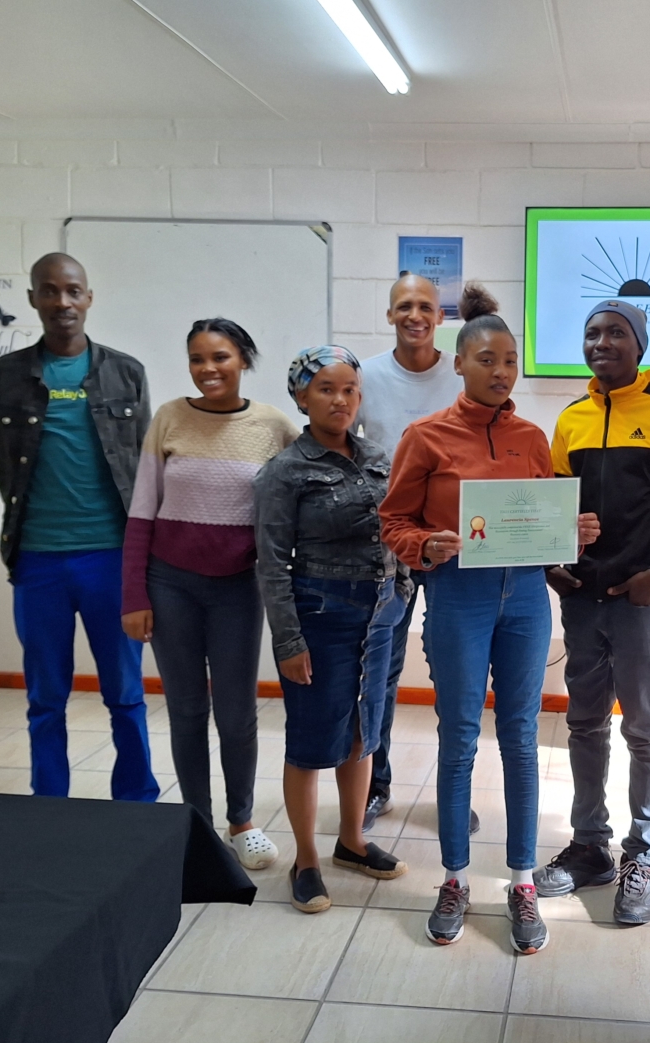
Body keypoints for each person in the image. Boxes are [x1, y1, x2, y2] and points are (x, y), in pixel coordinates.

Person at [379, 284, 601, 954]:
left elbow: (539, 523)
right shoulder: (426, 436)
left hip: (526, 599)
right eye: (486, 359)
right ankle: (454, 878)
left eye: (509, 360)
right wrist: (427, 546)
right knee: (459, 739)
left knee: (522, 738)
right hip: (458, 597)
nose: (501, 371)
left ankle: (522, 881)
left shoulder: (532, 439)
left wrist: (571, 533)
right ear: (459, 363)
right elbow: (392, 521)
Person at [535, 299, 650, 926]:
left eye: (617, 332)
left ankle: (642, 852)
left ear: (640, 346)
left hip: (641, 602)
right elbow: (553, 507)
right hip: (583, 600)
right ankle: (591, 845)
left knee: (643, 728)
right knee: (584, 724)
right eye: (592, 333)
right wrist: (551, 563)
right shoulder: (572, 419)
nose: (602, 342)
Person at [120, 318, 298, 870]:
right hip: (169, 584)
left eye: (220, 357)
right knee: (187, 710)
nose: (207, 368)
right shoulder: (169, 418)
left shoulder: (274, 426)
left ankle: (241, 821)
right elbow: (142, 510)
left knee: (237, 714)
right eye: (197, 359)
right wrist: (133, 595)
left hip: (238, 589)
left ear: (243, 359)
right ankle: (196, 823)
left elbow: (305, 489)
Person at [0, 252, 157, 802]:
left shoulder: (125, 373)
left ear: (88, 298)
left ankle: (135, 803)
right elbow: (2, 465)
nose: (62, 302)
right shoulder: (5, 375)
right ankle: (50, 805)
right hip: (38, 562)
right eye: (50, 290)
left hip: (111, 561)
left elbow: (142, 470)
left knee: (125, 693)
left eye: (73, 291)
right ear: (33, 298)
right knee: (45, 697)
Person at [255, 346, 409, 913]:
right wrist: (288, 641)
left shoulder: (378, 457)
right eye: (326, 389)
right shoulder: (285, 470)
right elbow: (272, 563)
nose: (340, 400)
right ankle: (306, 860)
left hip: (380, 617)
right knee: (311, 740)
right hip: (320, 616)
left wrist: (403, 586)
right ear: (302, 397)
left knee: (364, 731)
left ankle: (352, 842)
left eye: (349, 390)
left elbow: (399, 526)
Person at [353, 274, 462, 832]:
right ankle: (376, 785)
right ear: (389, 314)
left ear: (441, 316)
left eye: (424, 306)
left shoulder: (461, 373)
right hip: (386, 547)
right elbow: (343, 448)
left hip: (451, 548)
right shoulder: (366, 377)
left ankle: (453, 792)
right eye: (403, 306)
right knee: (380, 671)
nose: (414, 315)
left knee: (456, 675)